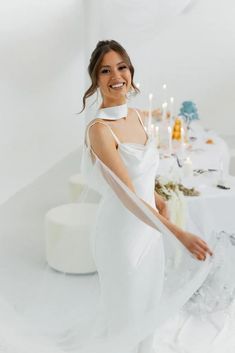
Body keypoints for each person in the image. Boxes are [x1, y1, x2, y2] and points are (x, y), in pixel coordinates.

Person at [81, 40, 213, 353]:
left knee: (149, 302)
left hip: (149, 228)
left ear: (130, 71)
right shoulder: (100, 130)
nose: (116, 75)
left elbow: (139, 175)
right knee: (126, 312)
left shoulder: (138, 117)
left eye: (121, 66)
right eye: (105, 70)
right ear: (95, 80)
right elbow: (125, 191)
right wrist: (178, 234)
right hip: (121, 234)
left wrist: (155, 194)